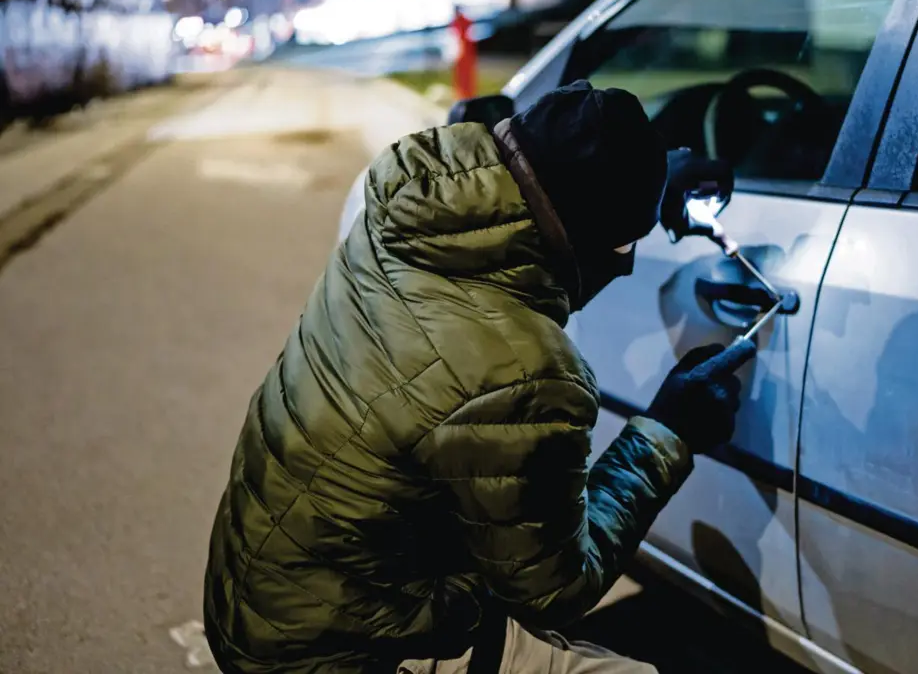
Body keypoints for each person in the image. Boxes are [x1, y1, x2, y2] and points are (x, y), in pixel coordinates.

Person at [203, 80, 756, 673]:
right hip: (336, 655)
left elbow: (556, 185)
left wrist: (641, 190)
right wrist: (668, 433)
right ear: (588, 242)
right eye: (624, 245)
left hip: (257, 602)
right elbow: (557, 589)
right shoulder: (522, 370)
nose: (625, 265)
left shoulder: (398, 213)